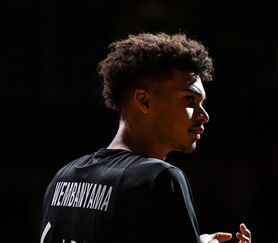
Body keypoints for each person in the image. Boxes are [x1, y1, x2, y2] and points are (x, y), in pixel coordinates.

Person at [39, 32, 252, 243]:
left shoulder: (62, 179)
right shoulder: (160, 178)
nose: (204, 115)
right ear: (144, 101)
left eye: (202, 103)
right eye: (189, 99)